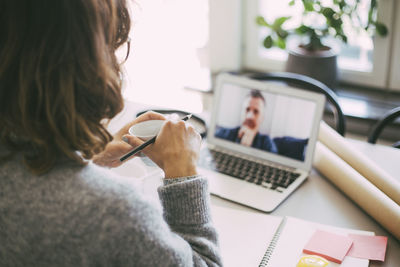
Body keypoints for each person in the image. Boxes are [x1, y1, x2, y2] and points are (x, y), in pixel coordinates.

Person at [0, 1, 221, 266]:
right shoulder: (114, 213)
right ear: (86, 66)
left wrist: (88, 159)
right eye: (110, 47)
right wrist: (183, 176)